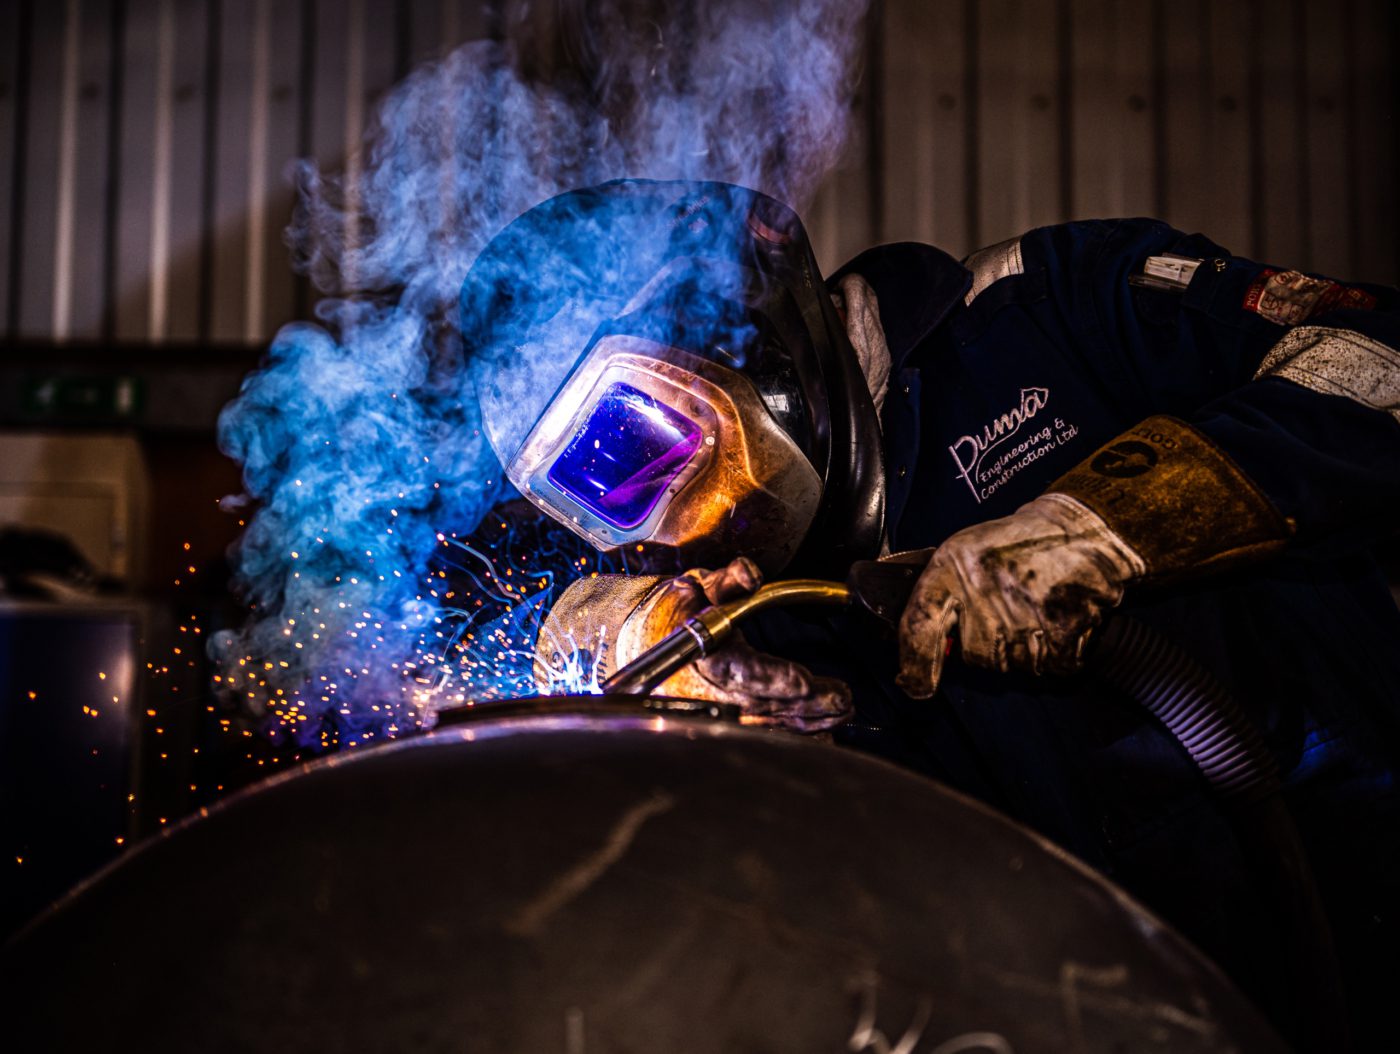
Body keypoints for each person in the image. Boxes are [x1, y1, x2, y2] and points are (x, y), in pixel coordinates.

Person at [461, 179, 1400, 1045]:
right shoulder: (763, 626)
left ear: (739, 333)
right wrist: (600, 638)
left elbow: (1379, 358)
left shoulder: (1048, 311)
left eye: (637, 443)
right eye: (591, 497)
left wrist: (1108, 521)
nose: (658, 526)